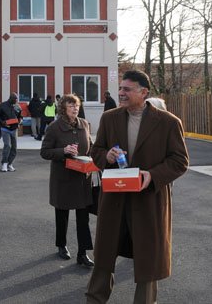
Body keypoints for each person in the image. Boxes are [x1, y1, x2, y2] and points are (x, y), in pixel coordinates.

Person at [86, 70, 189, 304]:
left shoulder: (168, 123)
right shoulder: (109, 118)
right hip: (114, 199)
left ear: (144, 92)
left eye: (127, 89)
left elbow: (180, 161)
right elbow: (96, 151)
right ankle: (94, 299)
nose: (121, 93)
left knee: (148, 261)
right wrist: (107, 156)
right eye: (120, 88)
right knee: (104, 256)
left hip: (148, 201)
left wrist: (151, 176)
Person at [40, 94, 95, 269]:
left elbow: (91, 145)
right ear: (63, 108)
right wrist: (63, 151)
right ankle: (62, 245)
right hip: (63, 178)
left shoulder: (84, 124)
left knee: (83, 218)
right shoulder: (54, 127)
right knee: (62, 215)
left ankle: (82, 253)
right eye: (71, 105)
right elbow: (45, 152)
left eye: (77, 105)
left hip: (82, 179)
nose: (75, 108)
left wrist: (93, 157)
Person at [0, 92, 22, 172]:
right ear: (11, 98)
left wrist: (20, 120)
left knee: (14, 148)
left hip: (14, 129)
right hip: (5, 128)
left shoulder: (17, 106)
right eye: (15, 99)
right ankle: (4, 163)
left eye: (17, 99)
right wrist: (2, 122)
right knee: (7, 145)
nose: (16, 100)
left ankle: (10, 164)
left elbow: (20, 116)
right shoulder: (3, 105)